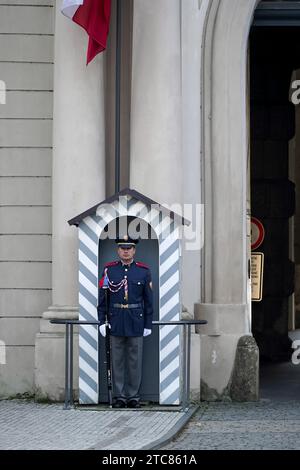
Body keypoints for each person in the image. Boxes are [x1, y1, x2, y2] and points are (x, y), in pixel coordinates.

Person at [97, 235, 153, 408]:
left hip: (136, 321)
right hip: (115, 320)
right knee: (117, 361)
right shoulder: (109, 270)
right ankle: (120, 396)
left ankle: (133, 397)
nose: (126, 251)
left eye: (129, 248)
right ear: (118, 250)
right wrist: (102, 321)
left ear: (134, 250)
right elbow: (103, 298)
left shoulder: (143, 271)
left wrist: (148, 324)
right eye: (123, 248)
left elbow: (149, 300)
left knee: (135, 361)